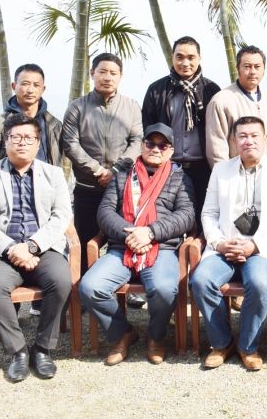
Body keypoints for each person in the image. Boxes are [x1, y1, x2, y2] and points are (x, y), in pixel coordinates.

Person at [79, 123, 195, 366]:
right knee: (90, 287)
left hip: (161, 248)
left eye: (162, 145)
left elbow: (187, 215)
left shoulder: (180, 178)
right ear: (142, 146)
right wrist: (131, 235)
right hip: (122, 247)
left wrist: (150, 233)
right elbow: (104, 212)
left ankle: (156, 336)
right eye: (150, 144)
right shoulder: (122, 177)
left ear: (170, 150)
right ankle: (121, 333)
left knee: (164, 289)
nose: (155, 149)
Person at [0, 113, 73, 382]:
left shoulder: (53, 174)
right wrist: (11, 249)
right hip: (3, 253)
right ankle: (18, 351)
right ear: (6, 142)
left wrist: (33, 246)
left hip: (43, 249)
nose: (22, 143)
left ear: (38, 143)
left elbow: (61, 216)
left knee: (61, 281)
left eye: (28, 138)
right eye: (15, 137)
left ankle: (43, 349)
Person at [190, 116, 267, 371]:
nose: (248, 141)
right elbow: (208, 213)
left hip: (261, 249)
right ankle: (222, 343)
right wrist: (218, 243)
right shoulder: (220, 170)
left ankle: (248, 347)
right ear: (234, 141)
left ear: (264, 139)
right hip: (224, 246)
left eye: (254, 136)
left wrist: (256, 245)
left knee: (260, 284)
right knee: (201, 281)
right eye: (242, 136)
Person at [62, 53, 143, 277]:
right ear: (92, 73)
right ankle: (86, 287)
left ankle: (129, 283)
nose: (107, 77)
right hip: (88, 187)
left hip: (121, 186)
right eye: (102, 71)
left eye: (113, 73)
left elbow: (137, 141)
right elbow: (70, 144)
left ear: (121, 76)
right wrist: (97, 170)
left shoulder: (131, 106)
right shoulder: (77, 107)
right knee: (86, 237)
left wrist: (115, 170)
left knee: (125, 237)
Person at [142, 36, 220, 218]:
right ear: (173, 58)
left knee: (203, 217)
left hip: (203, 167)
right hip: (168, 166)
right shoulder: (156, 90)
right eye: (180, 57)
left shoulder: (212, 90)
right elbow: (147, 127)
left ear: (199, 58)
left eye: (191, 57)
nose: (185, 63)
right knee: (165, 217)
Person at [206, 45, 267, 165]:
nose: (252, 72)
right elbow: (216, 148)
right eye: (247, 66)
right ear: (237, 68)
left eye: (257, 67)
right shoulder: (221, 101)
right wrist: (225, 177)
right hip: (237, 176)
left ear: (264, 69)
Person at [0, 63, 63, 168]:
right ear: (14, 86)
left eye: (36, 85)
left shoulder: (54, 125)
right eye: (25, 84)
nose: (30, 90)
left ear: (43, 89)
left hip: (47, 183)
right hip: (9, 183)